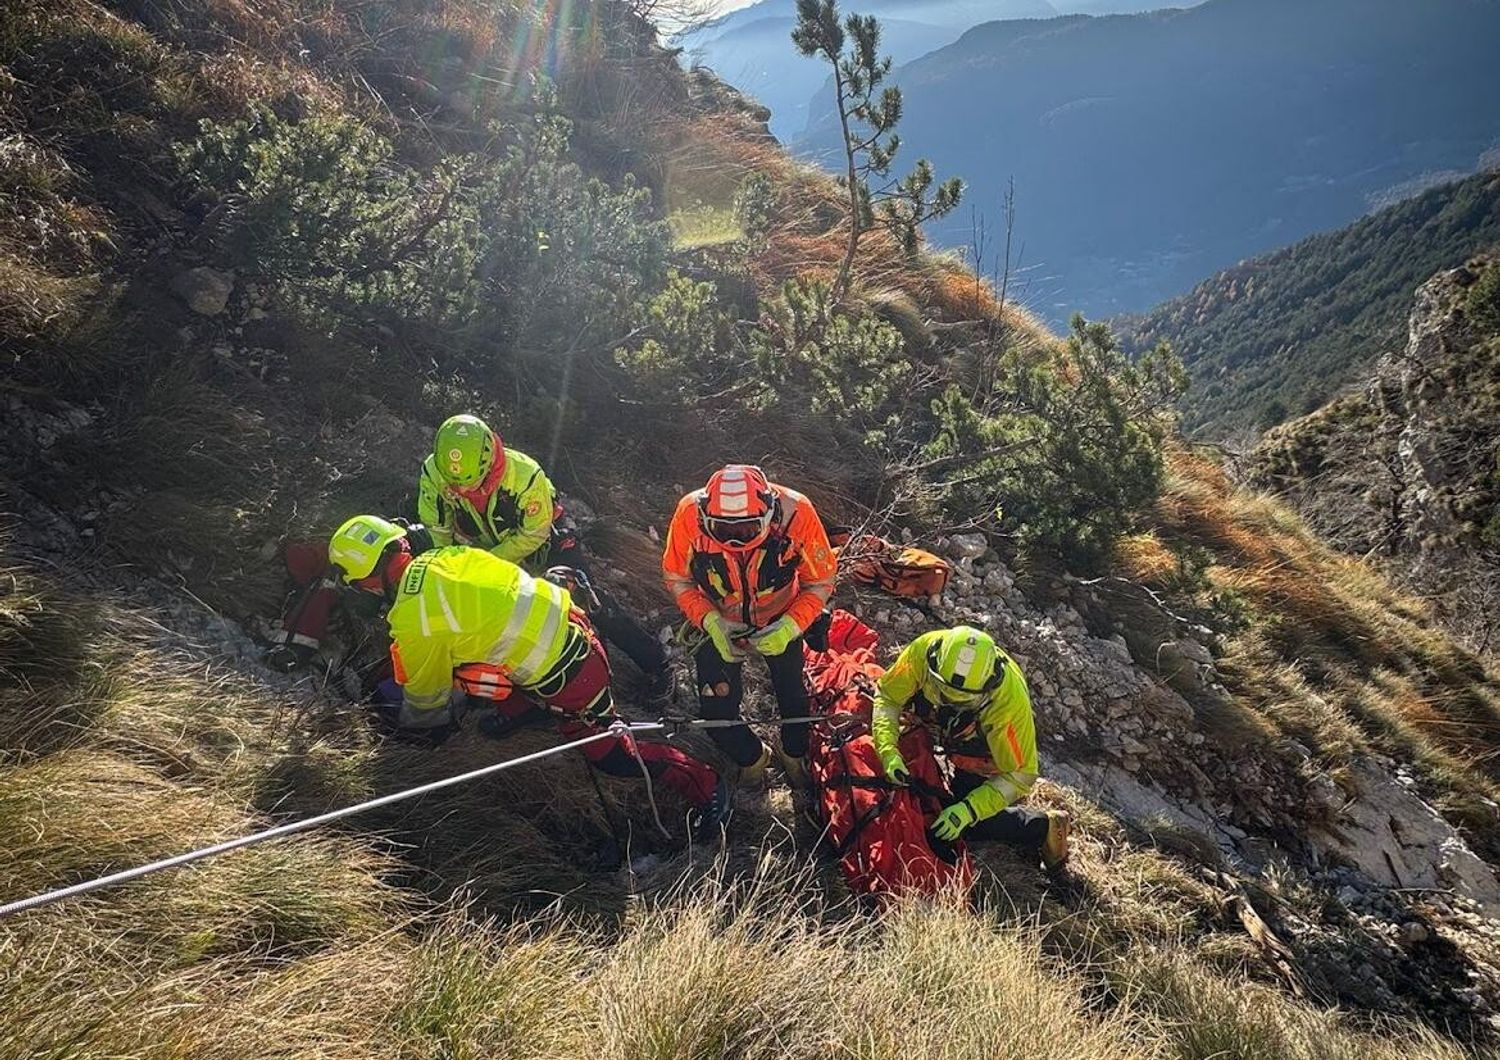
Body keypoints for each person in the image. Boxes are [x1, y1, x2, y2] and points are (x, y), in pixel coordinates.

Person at [327, 514, 731, 839]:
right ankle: (526, 710)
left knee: (613, 757)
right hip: (574, 628)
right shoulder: (445, 557)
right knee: (475, 656)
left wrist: (415, 736)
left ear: (366, 580)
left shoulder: (412, 620)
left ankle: (706, 784)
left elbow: (426, 699)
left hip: (574, 676)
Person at [418, 414, 669, 690]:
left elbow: (532, 533)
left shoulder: (524, 477)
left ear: (488, 461)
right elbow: (436, 527)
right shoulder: (435, 474)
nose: (462, 491)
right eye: (456, 486)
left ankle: (654, 661)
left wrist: (486, 563)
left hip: (546, 539)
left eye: (470, 483)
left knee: (587, 600)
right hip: (487, 545)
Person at [662, 464, 836, 785]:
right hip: (718, 616)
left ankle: (794, 753)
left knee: (794, 698)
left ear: (769, 512)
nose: (735, 540)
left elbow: (821, 580)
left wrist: (790, 626)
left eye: (746, 530)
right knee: (716, 713)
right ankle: (752, 758)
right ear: (705, 514)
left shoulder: (797, 513)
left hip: (781, 615)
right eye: (723, 530)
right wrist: (710, 621)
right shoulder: (689, 514)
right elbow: (678, 577)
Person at [871, 625, 1070, 870]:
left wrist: (969, 810)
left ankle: (1044, 827)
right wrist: (888, 750)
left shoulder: (1008, 705)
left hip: (980, 744)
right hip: (937, 717)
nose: (952, 701)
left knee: (967, 825)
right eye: (946, 693)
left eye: (962, 699)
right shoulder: (922, 652)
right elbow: (888, 697)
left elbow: (1021, 774)